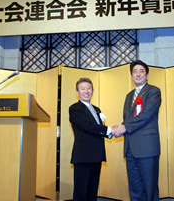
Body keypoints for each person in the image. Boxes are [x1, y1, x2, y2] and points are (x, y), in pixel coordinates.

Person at [113, 60, 162, 201]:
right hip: (130, 149)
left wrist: (125, 127)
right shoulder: (129, 96)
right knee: (135, 188)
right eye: (135, 71)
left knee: (149, 187)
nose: (138, 74)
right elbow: (126, 119)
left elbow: (147, 114)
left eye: (141, 71)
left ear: (147, 75)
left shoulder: (154, 91)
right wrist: (118, 129)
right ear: (131, 75)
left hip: (147, 148)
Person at [69, 77, 113, 201]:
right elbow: (88, 126)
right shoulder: (75, 108)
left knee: (92, 192)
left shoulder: (97, 109)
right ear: (77, 92)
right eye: (82, 88)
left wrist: (110, 133)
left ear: (92, 91)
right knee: (81, 192)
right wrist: (109, 130)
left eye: (89, 88)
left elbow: (99, 128)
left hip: (97, 155)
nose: (86, 91)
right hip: (83, 156)